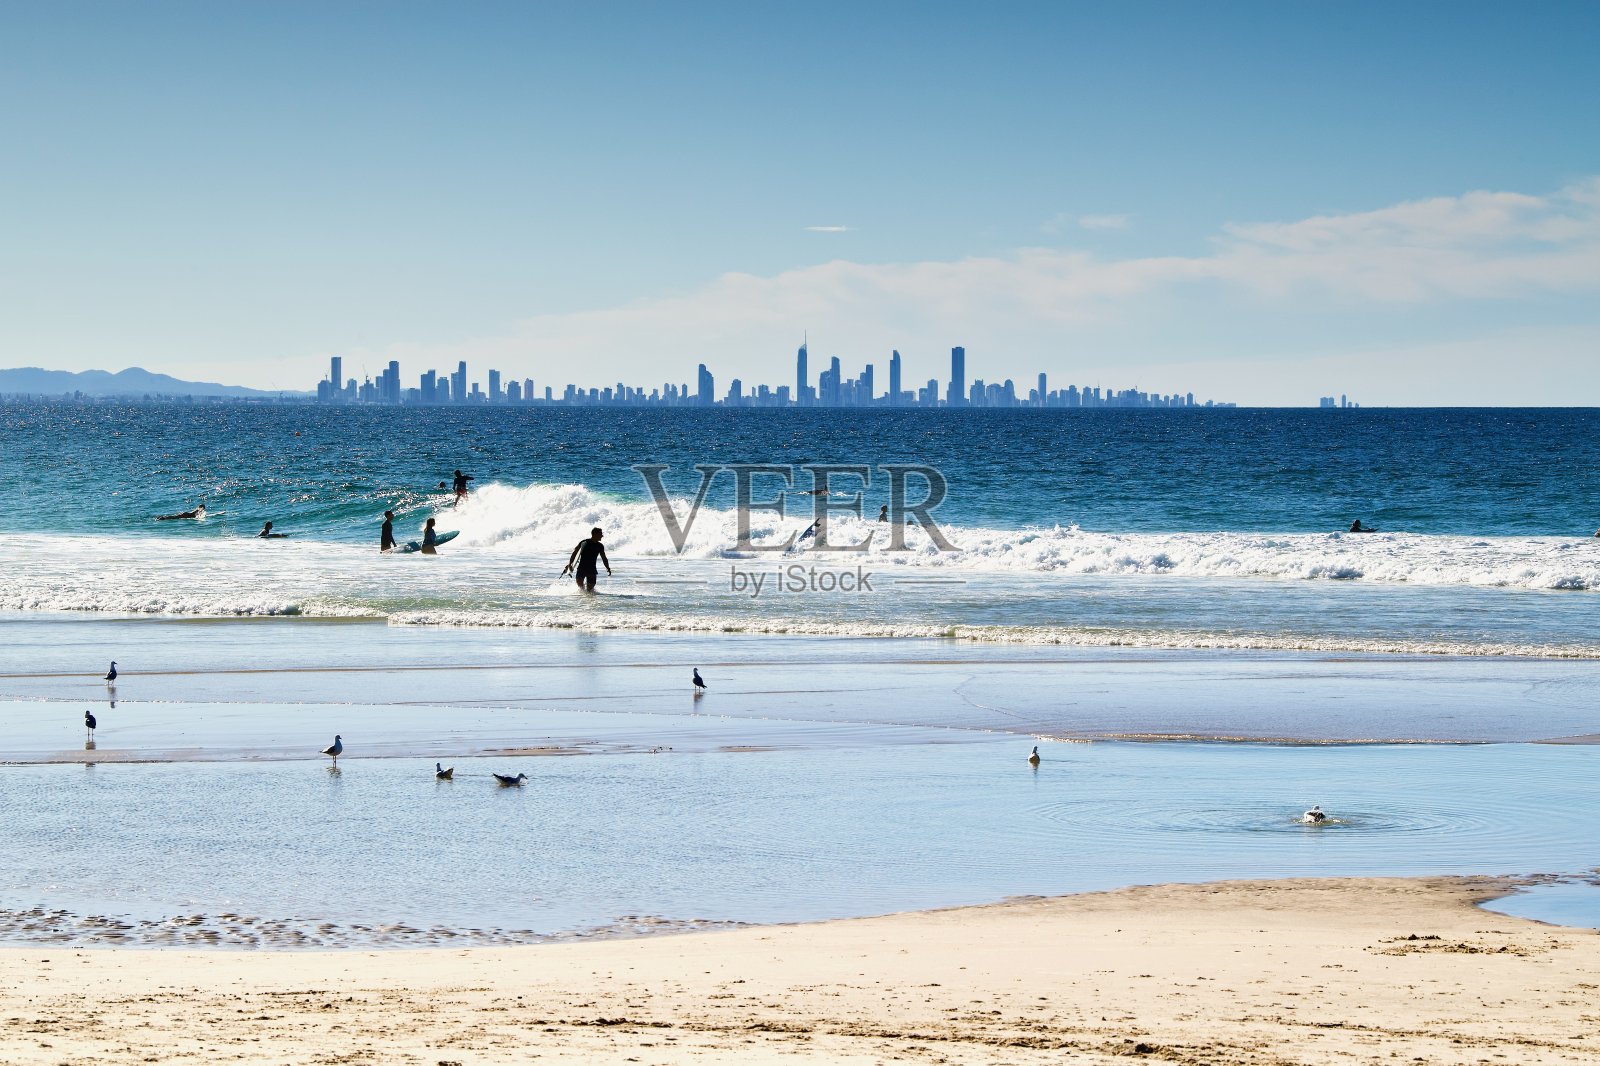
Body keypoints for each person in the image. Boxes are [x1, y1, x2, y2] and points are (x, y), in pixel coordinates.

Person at [562, 527, 612, 591]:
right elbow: (575, 553)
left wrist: (607, 568)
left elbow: (604, 558)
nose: (602, 536)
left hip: (592, 570)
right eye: (600, 534)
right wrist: (570, 564)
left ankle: (588, 600)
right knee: (581, 589)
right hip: (581, 568)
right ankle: (582, 600)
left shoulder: (600, 546)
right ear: (595, 534)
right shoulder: (584, 542)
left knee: (590, 591)